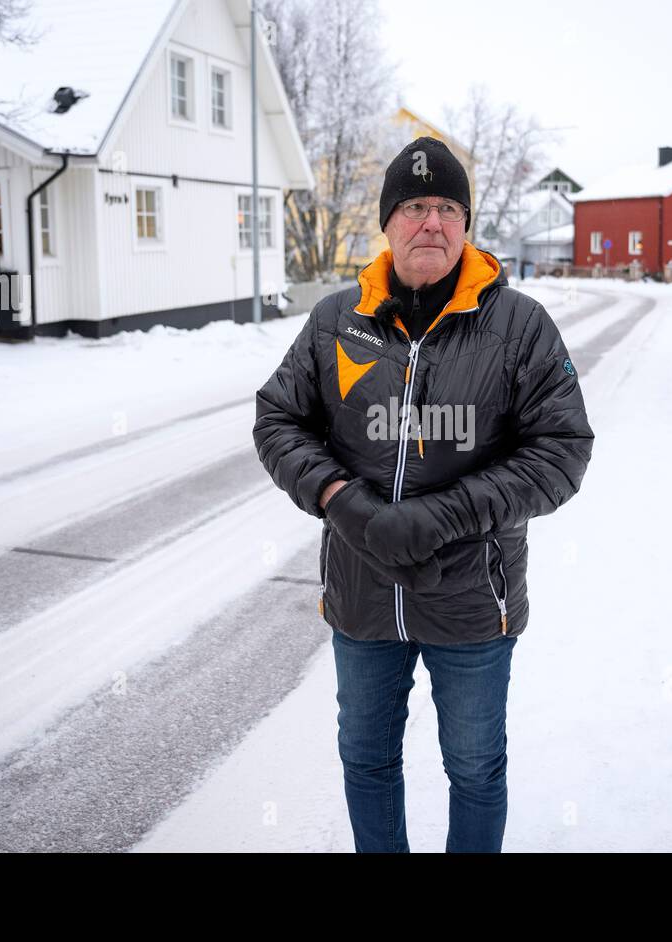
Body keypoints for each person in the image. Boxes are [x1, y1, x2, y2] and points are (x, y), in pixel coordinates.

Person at [253, 136, 594, 852]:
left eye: (446, 207)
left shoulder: (518, 326)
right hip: (361, 595)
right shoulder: (335, 322)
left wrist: (445, 514)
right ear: (387, 224)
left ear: (466, 225)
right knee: (367, 760)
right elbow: (278, 419)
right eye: (413, 207)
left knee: (473, 767)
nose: (430, 222)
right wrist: (342, 499)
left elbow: (561, 450)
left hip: (473, 600)